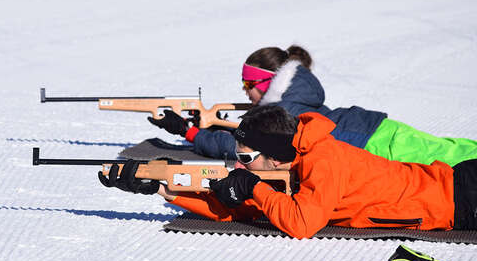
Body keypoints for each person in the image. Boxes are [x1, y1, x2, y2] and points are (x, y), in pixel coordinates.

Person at [104, 105, 477, 239]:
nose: (237, 165)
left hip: (462, 197)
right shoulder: (296, 159)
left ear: (278, 158)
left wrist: (253, 187)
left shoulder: (324, 160)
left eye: (247, 159)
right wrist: (165, 190)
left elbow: (301, 224)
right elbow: (244, 209)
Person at [148, 45, 477, 166]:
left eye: (249, 85)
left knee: (455, 158)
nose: (246, 93)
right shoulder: (295, 94)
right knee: (454, 151)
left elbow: (238, 145)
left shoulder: (281, 112)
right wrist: (211, 121)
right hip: (375, 132)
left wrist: (192, 132)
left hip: (375, 144)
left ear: (268, 83)